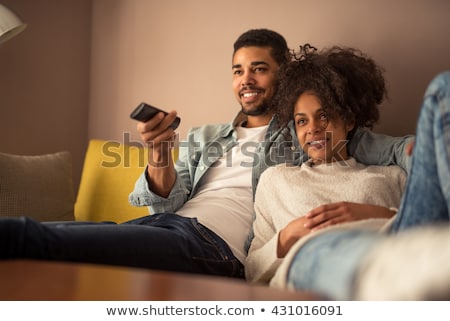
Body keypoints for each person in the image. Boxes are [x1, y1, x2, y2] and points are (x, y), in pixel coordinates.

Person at [0, 29, 412, 279]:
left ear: (284, 73)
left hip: (215, 249)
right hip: (168, 228)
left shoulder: (307, 130)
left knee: (30, 237)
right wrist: (159, 157)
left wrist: (413, 153)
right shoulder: (206, 137)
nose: (246, 79)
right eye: (237, 70)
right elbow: (166, 199)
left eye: (259, 68)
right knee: (49, 234)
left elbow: (396, 152)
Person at [245, 45, 450, 300]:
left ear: (349, 121)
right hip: (317, 252)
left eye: (324, 116)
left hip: (397, 241)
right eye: (301, 121)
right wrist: (288, 235)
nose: (313, 129)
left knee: (444, 88)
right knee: (337, 251)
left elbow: (414, 224)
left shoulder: (391, 175)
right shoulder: (275, 180)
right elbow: (251, 270)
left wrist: (376, 213)